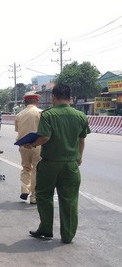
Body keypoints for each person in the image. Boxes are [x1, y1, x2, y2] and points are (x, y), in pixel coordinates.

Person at [25, 84, 90, 244]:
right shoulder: (81, 116)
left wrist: (32, 144)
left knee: (44, 196)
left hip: (50, 164)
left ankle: (46, 230)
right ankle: (68, 235)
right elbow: (81, 140)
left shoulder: (48, 115)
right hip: (71, 165)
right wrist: (79, 157)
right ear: (70, 97)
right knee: (69, 199)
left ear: (53, 97)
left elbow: (45, 137)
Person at [15, 92, 42, 204]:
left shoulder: (19, 115)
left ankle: (25, 189)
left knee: (26, 168)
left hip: (23, 145)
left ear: (25, 103)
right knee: (36, 169)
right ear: (37, 102)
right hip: (37, 145)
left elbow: (17, 130)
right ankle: (34, 196)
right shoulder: (40, 113)